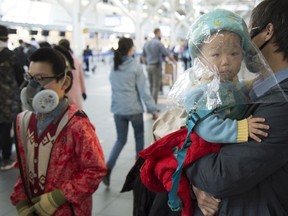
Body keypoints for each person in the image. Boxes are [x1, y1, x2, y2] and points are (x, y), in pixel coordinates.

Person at [134, 9, 270, 216]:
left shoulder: (227, 83)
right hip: (204, 147)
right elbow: (207, 126)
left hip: (221, 154)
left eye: (234, 53)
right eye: (216, 54)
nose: (225, 61)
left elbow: (234, 92)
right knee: (209, 196)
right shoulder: (202, 90)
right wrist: (240, 129)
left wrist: (252, 83)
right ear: (200, 57)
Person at [184, 0, 288, 215]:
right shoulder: (254, 86)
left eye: (249, 33)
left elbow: (219, 176)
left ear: (267, 31)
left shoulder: (283, 104)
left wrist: (185, 161)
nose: (243, 45)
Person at [10, 47, 107, 215]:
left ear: (65, 82)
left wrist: (58, 197)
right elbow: (24, 168)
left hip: (68, 210)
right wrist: (21, 202)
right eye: (30, 78)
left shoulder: (77, 124)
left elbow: (95, 170)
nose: (32, 86)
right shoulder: (23, 122)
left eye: (40, 78)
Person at [102, 37, 159, 187]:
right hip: (134, 110)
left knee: (120, 140)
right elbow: (144, 92)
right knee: (139, 139)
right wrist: (153, 110)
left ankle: (108, 168)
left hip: (118, 110)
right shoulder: (135, 67)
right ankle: (138, 174)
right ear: (130, 50)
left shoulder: (113, 66)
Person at [0, 25, 25, 171]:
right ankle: (6, 157)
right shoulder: (12, 55)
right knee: (7, 128)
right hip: (8, 99)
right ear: (7, 37)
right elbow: (20, 77)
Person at [142, 28, 176, 104]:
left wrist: (147, 64)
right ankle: (153, 106)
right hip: (156, 67)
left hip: (148, 66)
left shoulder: (146, 43)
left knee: (150, 86)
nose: (161, 34)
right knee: (155, 87)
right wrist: (174, 61)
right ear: (157, 33)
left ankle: (150, 104)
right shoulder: (158, 43)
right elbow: (167, 53)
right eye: (160, 33)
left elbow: (143, 57)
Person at [58, 38, 87, 110]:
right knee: (76, 116)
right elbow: (81, 77)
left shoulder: (58, 60)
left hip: (62, 92)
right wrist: (83, 91)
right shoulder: (76, 59)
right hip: (76, 92)